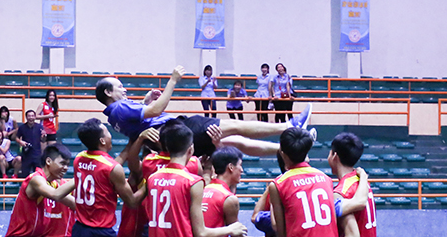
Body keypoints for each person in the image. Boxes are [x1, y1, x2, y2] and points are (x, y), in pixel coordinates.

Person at [96, 67, 313, 158]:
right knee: (233, 126)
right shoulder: (120, 107)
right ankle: (288, 126)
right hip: (177, 130)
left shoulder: (114, 116)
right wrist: (172, 81)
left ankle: (289, 150)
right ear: (108, 92)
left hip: (172, 140)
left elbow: (140, 120)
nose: (123, 89)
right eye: (118, 87)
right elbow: (156, 110)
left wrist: (145, 101)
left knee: (236, 141)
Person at [16, 110, 44, 177]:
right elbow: (16, 137)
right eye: (29, 116)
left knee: (38, 175)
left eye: (32, 116)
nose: (31, 117)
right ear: (26, 117)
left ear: (35, 117)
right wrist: (21, 142)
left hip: (37, 154)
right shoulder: (22, 127)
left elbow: (43, 140)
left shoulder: (39, 127)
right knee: (25, 175)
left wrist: (43, 136)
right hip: (26, 155)